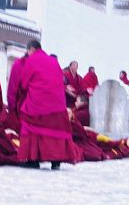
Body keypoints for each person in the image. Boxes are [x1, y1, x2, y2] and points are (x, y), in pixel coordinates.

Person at [14, 40, 81, 169]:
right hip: (58, 104)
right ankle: (56, 160)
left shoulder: (31, 60)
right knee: (56, 130)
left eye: (28, 52)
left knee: (29, 124)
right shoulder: (53, 61)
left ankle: (33, 159)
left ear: (32, 50)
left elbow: (23, 83)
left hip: (39, 102)